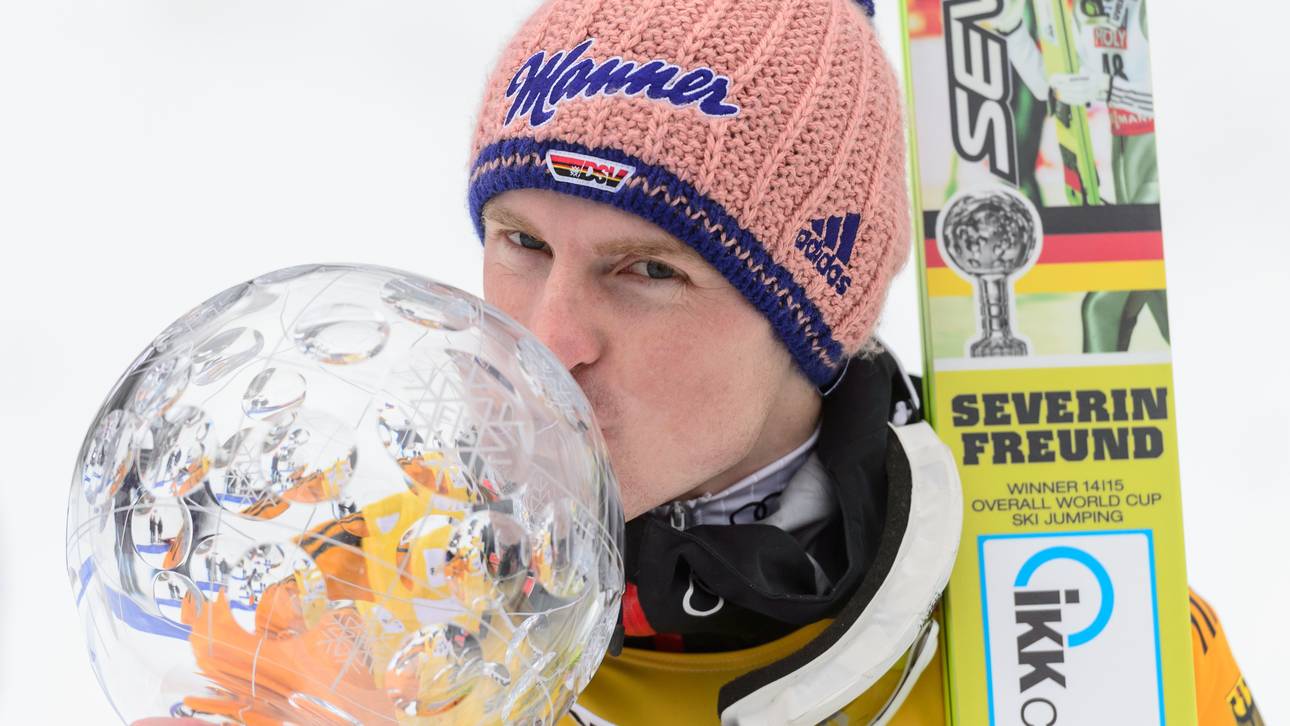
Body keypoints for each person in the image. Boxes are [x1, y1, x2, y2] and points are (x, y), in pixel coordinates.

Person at [465, 0, 1263, 723]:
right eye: (523, 243)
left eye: (650, 271)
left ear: (813, 313)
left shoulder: (1108, 649)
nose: (549, 338)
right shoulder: (373, 594)